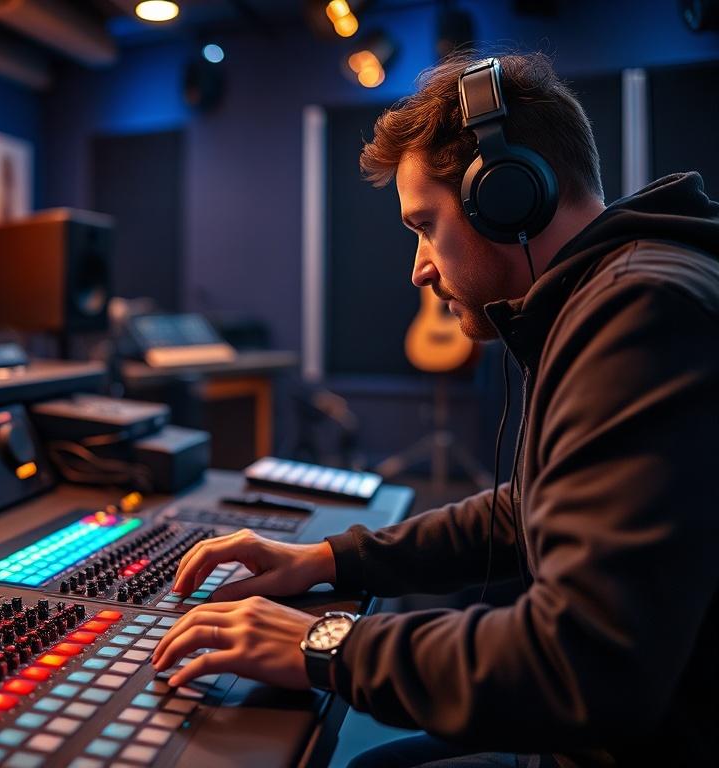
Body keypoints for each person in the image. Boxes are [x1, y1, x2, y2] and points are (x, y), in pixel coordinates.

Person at [151, 51, 719, 767]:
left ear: (509, 197)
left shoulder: (641, 312)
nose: (417, 268)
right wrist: (328, 558)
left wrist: (325, 641)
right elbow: (527, 509)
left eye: (425, 225)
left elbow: (583, 662)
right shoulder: (613, 294)